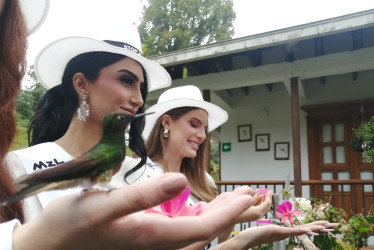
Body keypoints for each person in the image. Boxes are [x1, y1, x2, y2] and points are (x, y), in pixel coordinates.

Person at [0, 1, 257, 249]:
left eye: (141, 87)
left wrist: (236, 239)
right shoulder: (15, 168)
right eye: (126, 80)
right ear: (81, 84)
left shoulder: (143, 175)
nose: (139, 98)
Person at [134, 85, 338, 249]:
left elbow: (219, 244)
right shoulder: (142, 177)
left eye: (205, 129)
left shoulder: (204, 180)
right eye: (194, 124)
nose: (203, 136)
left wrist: (244, 230)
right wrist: (230, 215)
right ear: (167, 123)